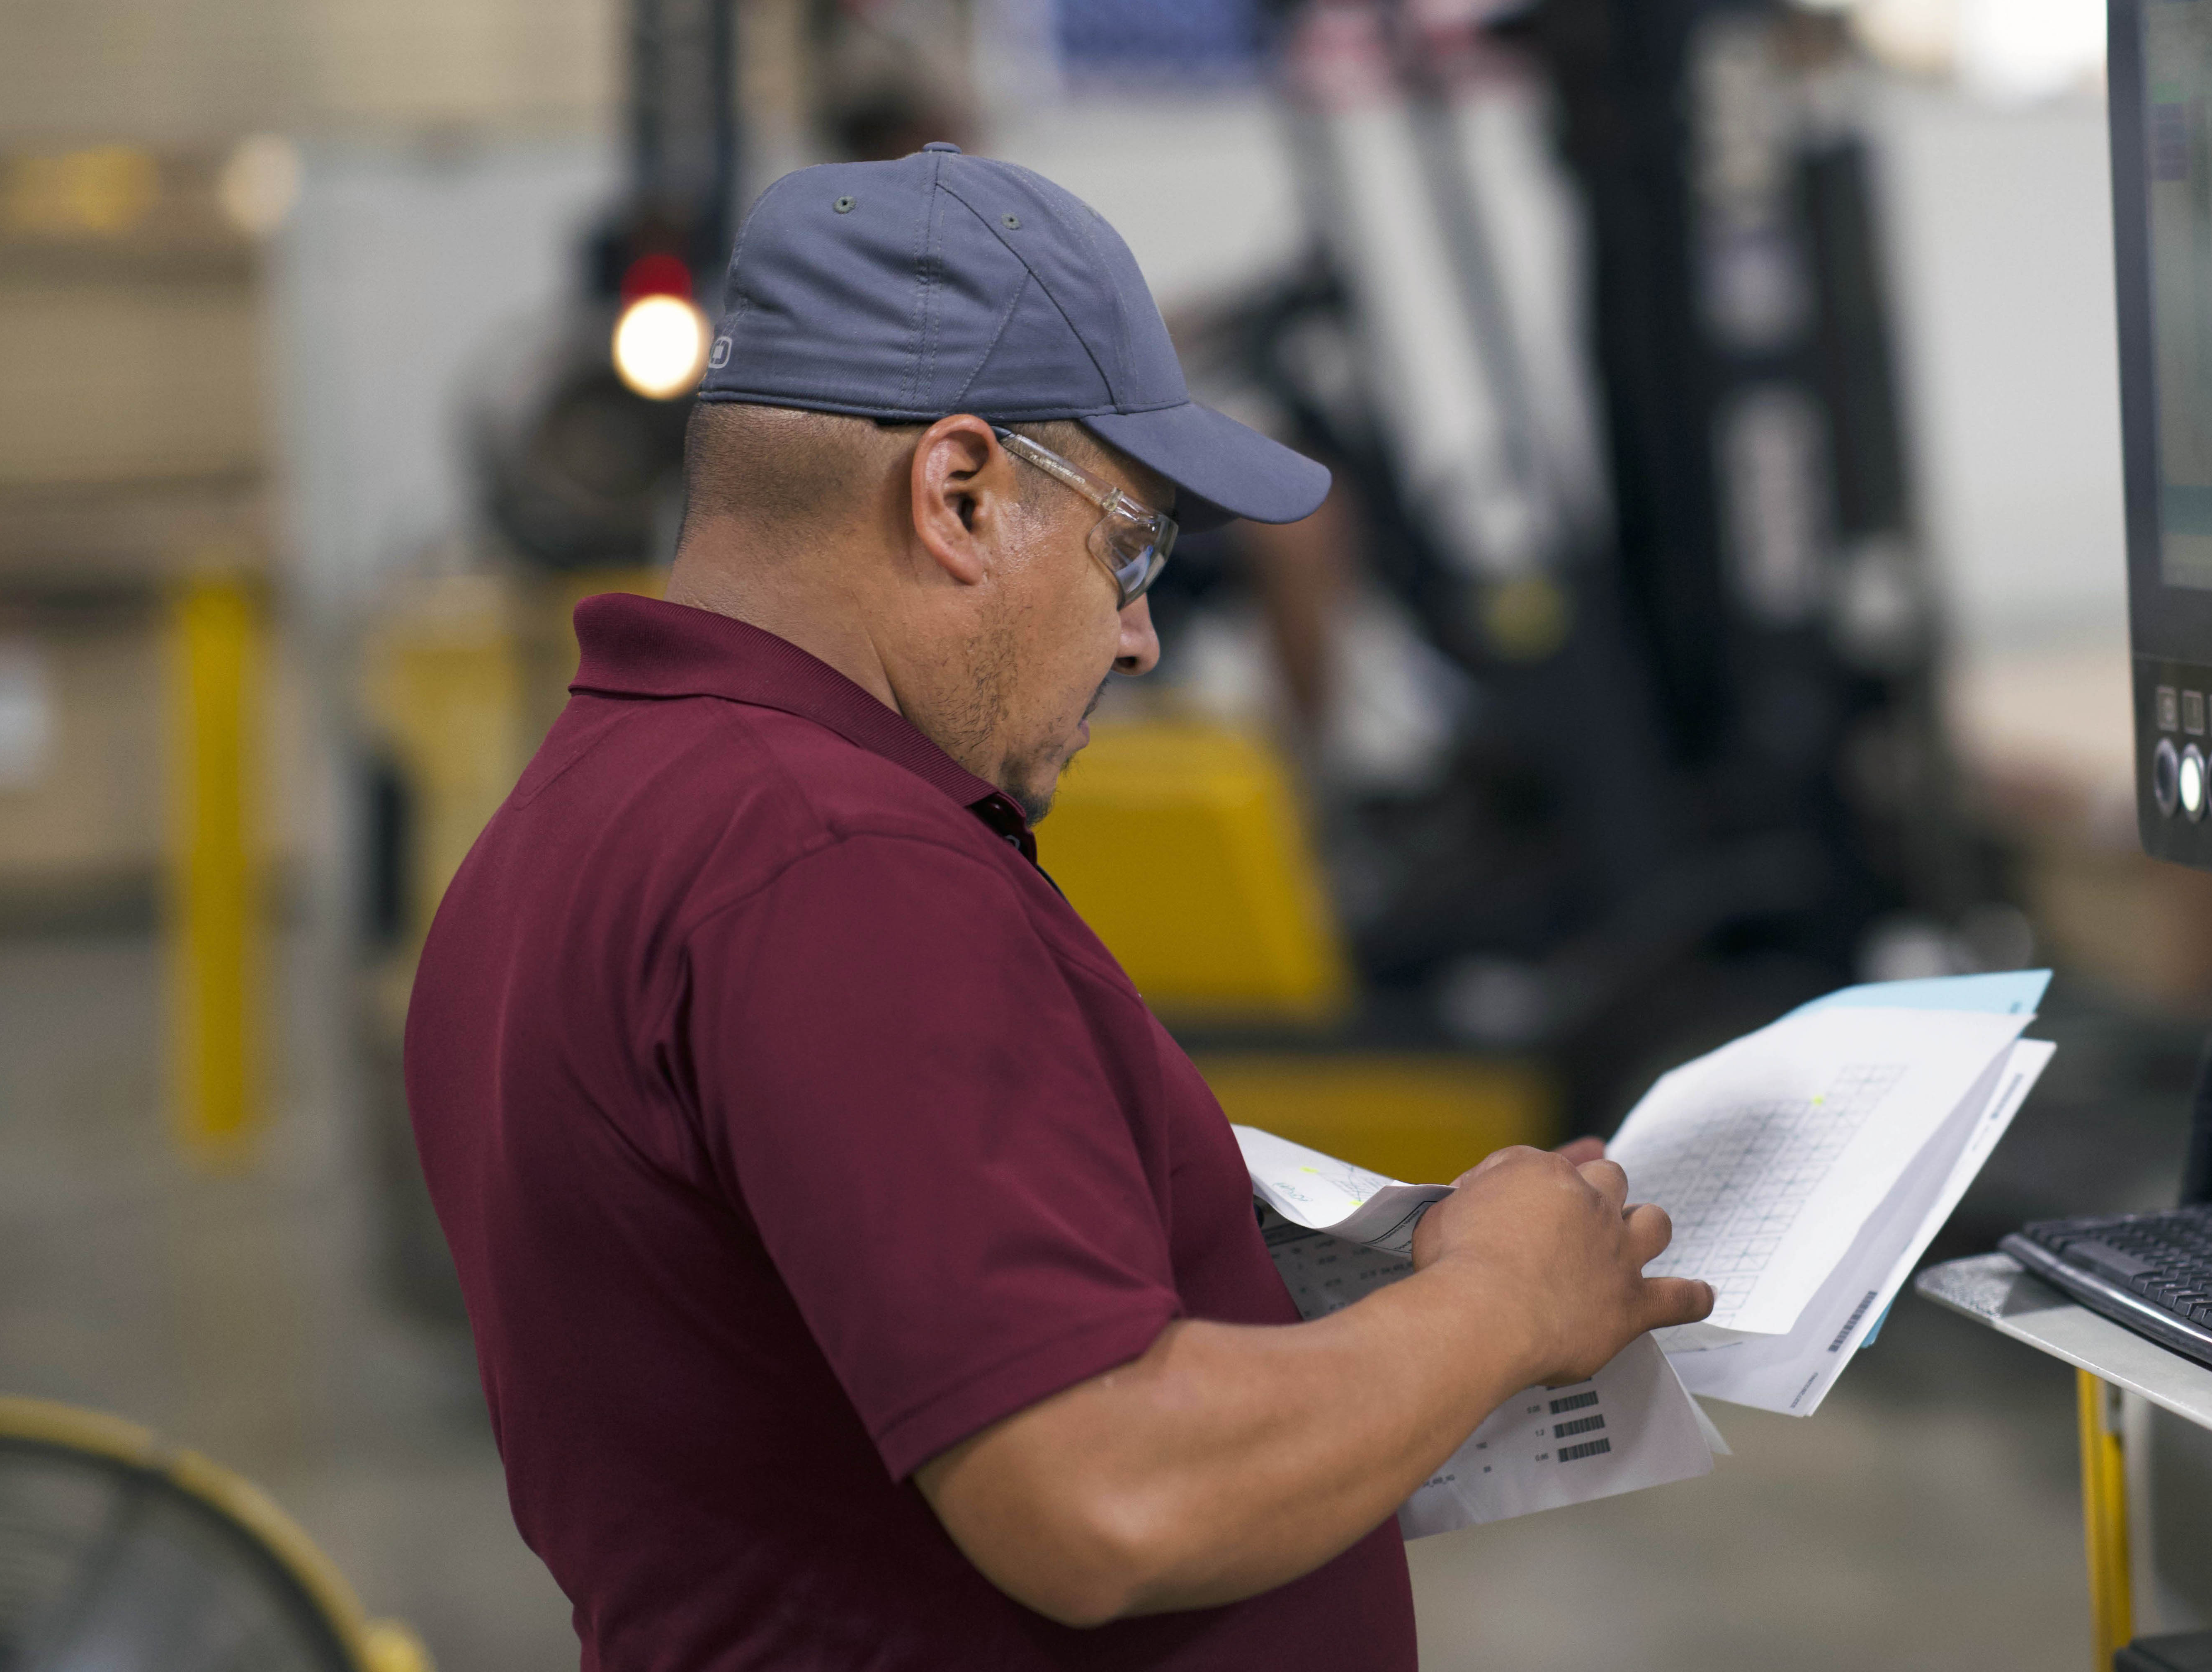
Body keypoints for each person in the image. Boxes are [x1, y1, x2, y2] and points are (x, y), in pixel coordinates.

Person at [404, 145, 1712, 1670]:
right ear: (956, 493)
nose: (1143, 635)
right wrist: (1498, 1305)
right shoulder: (834, 865)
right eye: (1129, 549)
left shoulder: (588, 810)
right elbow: (1103, 1495)